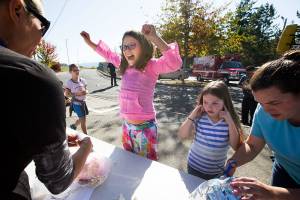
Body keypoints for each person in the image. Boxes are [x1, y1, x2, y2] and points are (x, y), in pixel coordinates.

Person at [0, 0, 93, 199]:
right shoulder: (35, 79)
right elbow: (58, 180)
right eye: (43, 26)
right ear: (17, 10)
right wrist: (86, 147)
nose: (42, 39)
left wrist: (42, 140)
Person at [80, 24, 182, 160]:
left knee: (143, 165)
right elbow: (108, 54)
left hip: (145, 128)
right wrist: (90, 43)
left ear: (144, 47)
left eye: (132, 45)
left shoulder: (151, 66)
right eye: (124, 47)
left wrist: (154, 37)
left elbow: (174, 63)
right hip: (127, 126)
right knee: (128, 161)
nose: (127, 50)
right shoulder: (124, 65)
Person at [227, 50, 300, 199]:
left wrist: (272, 193)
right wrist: (232, 162)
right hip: (284, 171)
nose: (266, 110)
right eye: (260, 102)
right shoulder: (264, 111)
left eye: (274, 102)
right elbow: (253, 146)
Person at [178, 80, 242, 180]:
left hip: (215, 172)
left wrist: (230, 121)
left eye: (215, 103)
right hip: (193, 167)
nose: (209, 107)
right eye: (205, 102)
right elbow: (182, 135)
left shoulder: (229, 122)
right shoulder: (200, 117)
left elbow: (235, 146)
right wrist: (193, 114)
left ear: (225, 102)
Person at [65, 64, 89, 135]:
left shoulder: (83, 80)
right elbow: (66, 94)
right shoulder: (69, 82)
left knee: (83, 117)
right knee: (83, 121)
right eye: (74, 70)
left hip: (83, 102)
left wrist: (86, 92)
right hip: (76, 104)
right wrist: (76, 94)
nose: (77, 71)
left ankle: (74, 126)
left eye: (78, 70)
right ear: (70, 72)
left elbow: (87, 90)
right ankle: (86, 137)